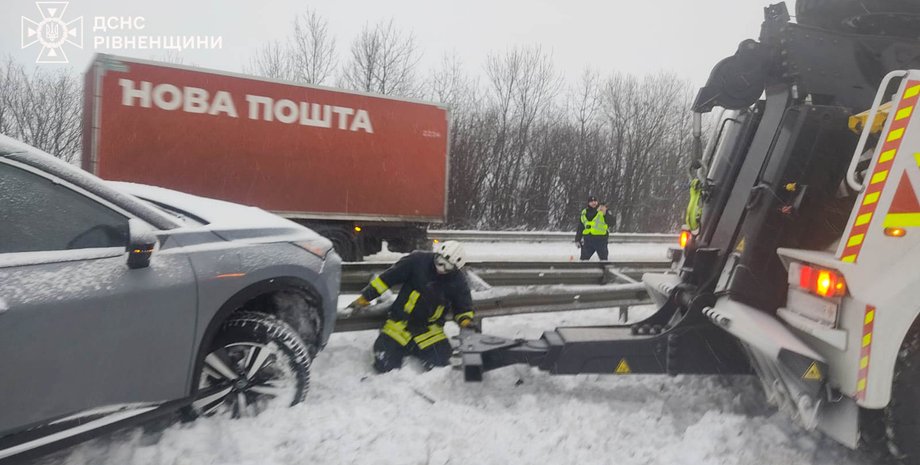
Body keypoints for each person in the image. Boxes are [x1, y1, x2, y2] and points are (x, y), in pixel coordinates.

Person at [347, 240, 477, 373]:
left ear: (455, 269)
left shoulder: (458, 281)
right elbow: (387, 279)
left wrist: (465, 320)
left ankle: (418, 351)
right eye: (440, 262)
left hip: (429, 330)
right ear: (437, 254)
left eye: (447, 267)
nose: (441, 269)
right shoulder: (417, 261)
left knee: (442, 366)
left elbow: (463, 305)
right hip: (399, 325)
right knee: (384, 364)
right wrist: (365, 298)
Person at [576, 195, 614, 261]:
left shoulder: (603, 210)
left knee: (603, 261)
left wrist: (605, 214)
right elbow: (580, 227)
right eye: (591, 201)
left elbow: (612, 223)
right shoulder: (584, 212)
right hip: (588, 240)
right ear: (588, 203)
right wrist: (577, 239)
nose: (593, 203)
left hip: (601, 240)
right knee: (583, 261)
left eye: (595, 201)